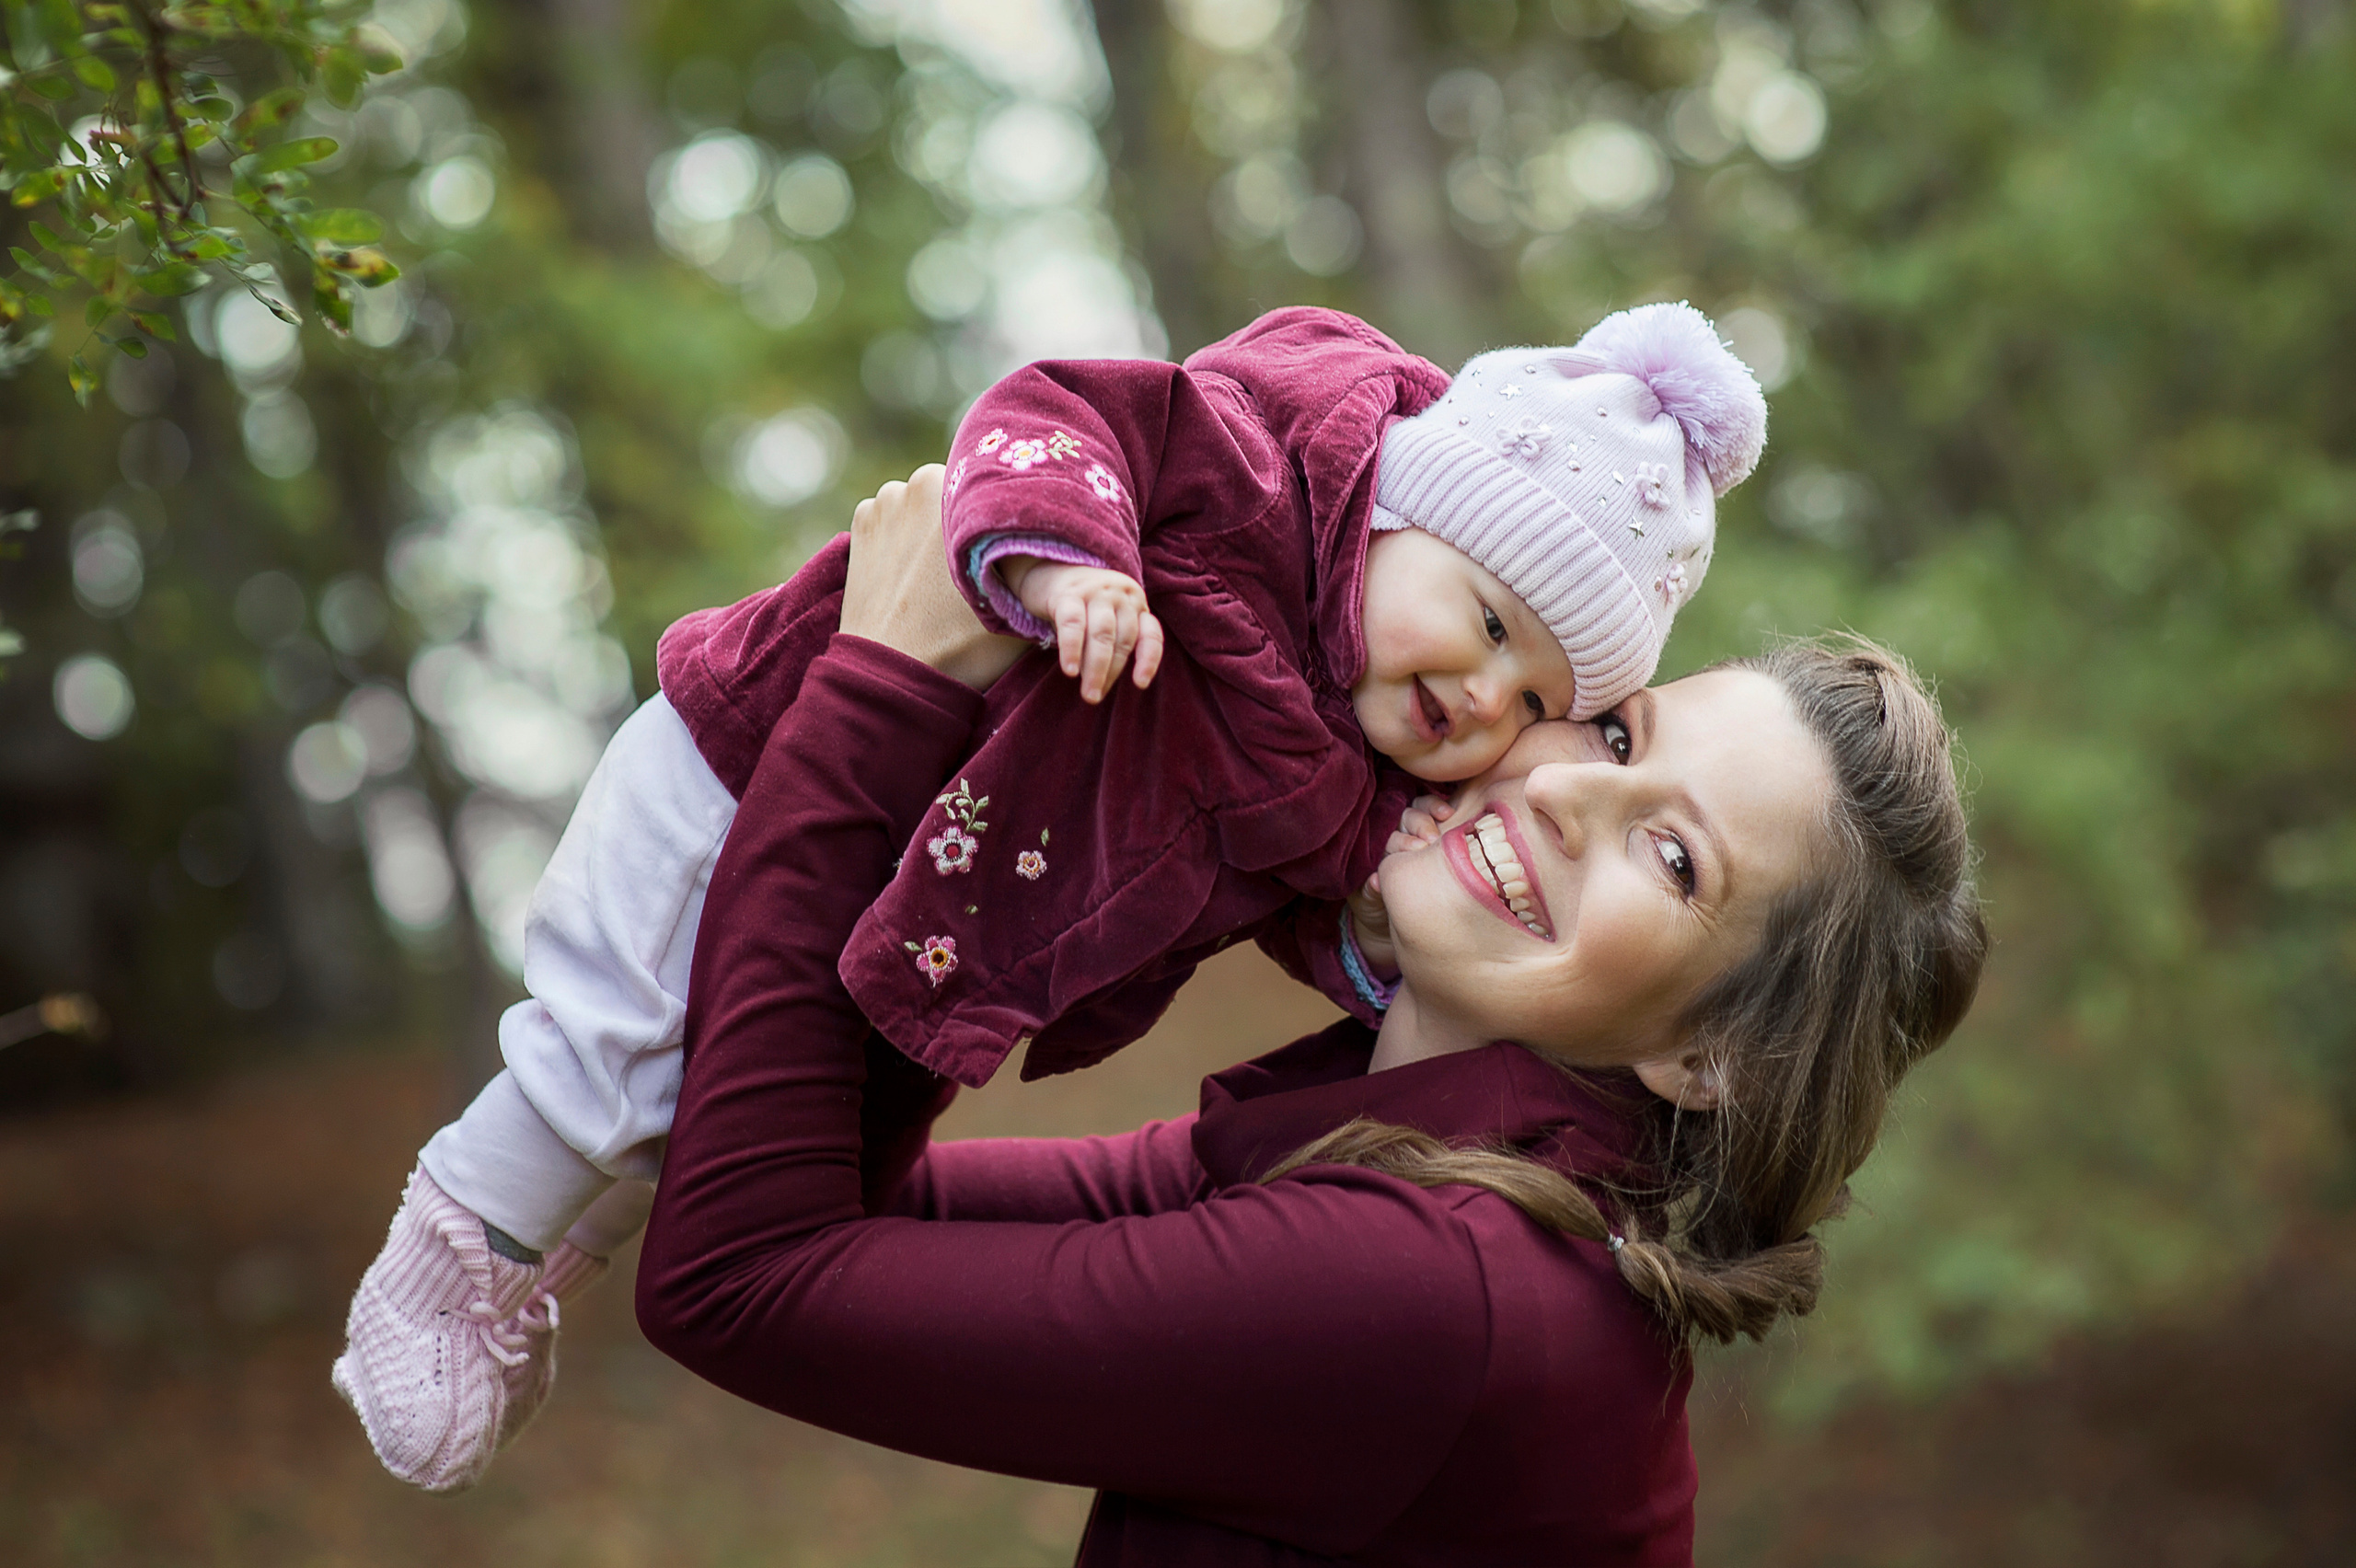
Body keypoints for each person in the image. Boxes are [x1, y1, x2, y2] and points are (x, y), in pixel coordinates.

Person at [334, 303, 1770, 1491]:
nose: (1485, 701)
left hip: (906, 879)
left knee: (685, 1104)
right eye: (1492, 626)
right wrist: (1066, 561)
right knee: (610, 1036)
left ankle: (529, 1258)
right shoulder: (1253, 481)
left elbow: (1275, 886)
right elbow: (1061, 416)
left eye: (1537, 697)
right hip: (753, 755)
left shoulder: (1349, 780)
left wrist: (1358, 937)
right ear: (1401, 510)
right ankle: (458, 1234)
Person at [629, 484, 1988, 1564]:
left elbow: (739, 1274)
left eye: (1678, 861)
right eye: (1624, 740)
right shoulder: (1422, 1163)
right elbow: (836, 1205)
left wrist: (884, 687)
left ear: (1711, 1059)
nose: (1576, 797)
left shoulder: (1438, 1295)